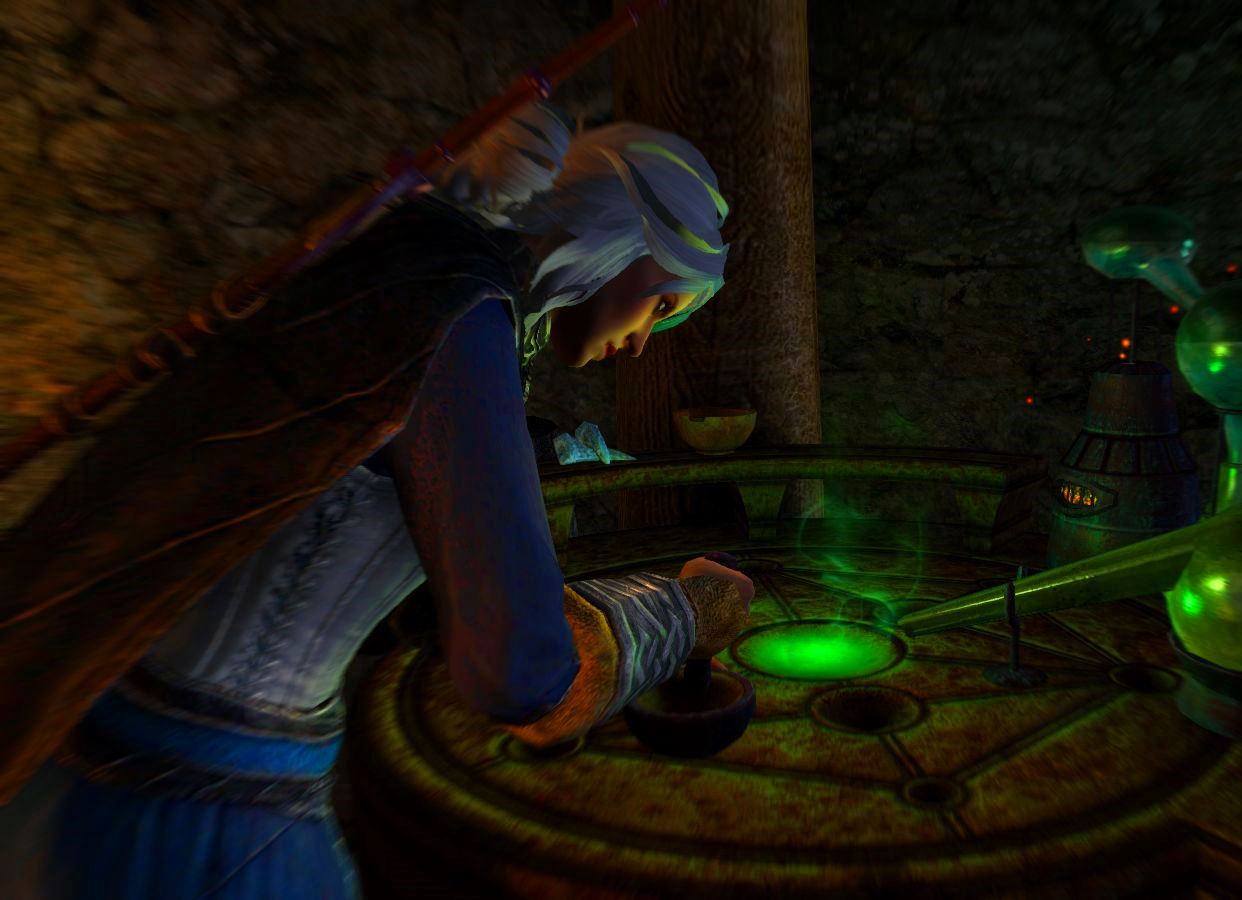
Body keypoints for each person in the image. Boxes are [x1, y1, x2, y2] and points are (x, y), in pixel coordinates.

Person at [0, 103, 752, 898]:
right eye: (661, 302)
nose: (641, 342)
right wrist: (685, 610)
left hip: (103, 760)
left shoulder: (401, 261)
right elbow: (523, 673)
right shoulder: (460, 310)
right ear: (616, 238)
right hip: (197, 824)